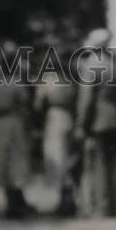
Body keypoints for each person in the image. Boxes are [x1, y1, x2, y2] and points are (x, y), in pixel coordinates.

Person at [74, 28, 116, 217]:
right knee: (112, 163)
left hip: (98, 120)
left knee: (98, 163)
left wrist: (81, 125)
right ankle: (113, 204)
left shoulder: (91, 65)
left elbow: (86, 99)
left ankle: (102, 206)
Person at [0, 41, 37, 219]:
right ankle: (16, 203)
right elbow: (24, 107)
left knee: (5, 161)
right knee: (15, 161)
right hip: (14, 122)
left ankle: (13, 202)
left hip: (0, 124)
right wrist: (29, 126)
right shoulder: (16, 84)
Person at [34, 61, 78, 216]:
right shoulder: (71, 79)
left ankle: (64, 202)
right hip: (69, 118)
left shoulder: (48, 80)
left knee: (57, 159)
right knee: (67, 159)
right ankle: (68, 200)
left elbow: (38, 105)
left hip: (54, 119)